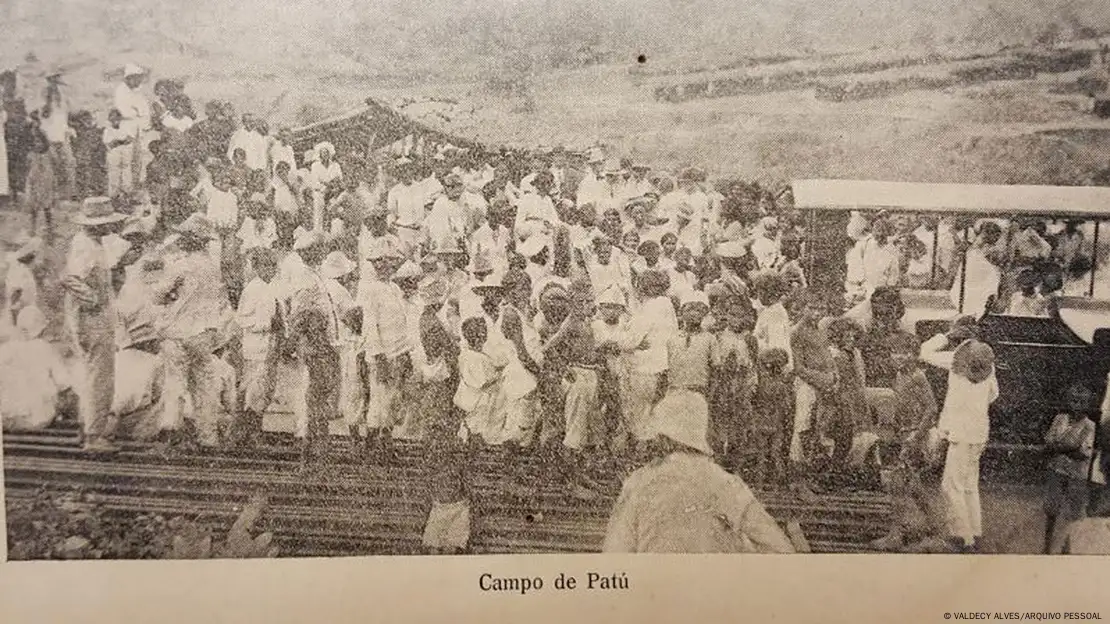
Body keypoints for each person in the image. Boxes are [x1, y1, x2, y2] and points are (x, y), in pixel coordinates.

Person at [602, 395, 795, 554]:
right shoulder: (727, 484)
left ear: (662, 439)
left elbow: (615, 555)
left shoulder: (638, 483)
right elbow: (781, 550)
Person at [152, 213, 235, 450]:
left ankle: (172, 433)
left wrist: (170, 296)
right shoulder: (212, 267)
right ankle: (207, 436)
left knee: (175, 383)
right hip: (204, 333)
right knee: (205, 385)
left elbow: (158, 295)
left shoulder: (181, 265)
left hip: (178, 333)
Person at [920, 316, 998, 552]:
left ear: (959, 337)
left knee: (950, 485)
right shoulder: (987, 362)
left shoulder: (956, 358)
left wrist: (945, 335)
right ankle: (974, 530)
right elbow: (994, 394)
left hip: (961, 432)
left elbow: (924, 351)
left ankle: (960, 536)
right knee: (969, 484)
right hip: (979, 429)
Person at [62, 197, 129, 452]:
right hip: (92, 319)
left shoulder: (89, 243)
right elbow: (71, 279)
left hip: (91, 317)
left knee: (91, 373)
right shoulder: (86, 247)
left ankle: (87, 427)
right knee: (100, 375)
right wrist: (94, 300)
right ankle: (94, 434)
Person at [358, 244, 410, 463]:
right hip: (383, 355)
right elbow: (370, 326)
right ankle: (373, 448)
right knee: (380, 401)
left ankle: (386, 445)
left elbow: (401, 322)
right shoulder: (370, 290)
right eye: (377, 261)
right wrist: (379, 357)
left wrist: (406, 352)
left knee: (392, 401)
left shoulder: (394, 289)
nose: (382, 265)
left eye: (386, 261)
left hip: (398, 351)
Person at [231, 248, 282, 449]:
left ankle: (247, 432)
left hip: (268, 347)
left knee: (263, 390)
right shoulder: (253, 288)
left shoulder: (269, 288)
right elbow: (242, 319)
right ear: (257, 267)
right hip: (255, 347)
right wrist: (268, 324)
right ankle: (250, 433)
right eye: (265, 265)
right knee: (255, 390)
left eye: (272, 265)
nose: (270, 269)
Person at [1043, 385, 1097, 554]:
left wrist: (1059, 445)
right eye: (1073, 400)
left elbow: (1082, 452)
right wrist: (1067, 446)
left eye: (1082, 402)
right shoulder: (1060, 418)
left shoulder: (1089, 425)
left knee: (1073, 514)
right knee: (1051, 510)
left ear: (1088, 404)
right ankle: (1047, 546)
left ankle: (1068, 549)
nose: (1077, 405)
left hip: (1076, 474)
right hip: (1056, 470)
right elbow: (1049, 440)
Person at [0, 306, 71, 432]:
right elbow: (63, 383)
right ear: (41, 330)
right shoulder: (45, 348)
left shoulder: (5, 349)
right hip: (38, 420)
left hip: (6, 420)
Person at [751, 348, 794, 488]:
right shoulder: (782, 385)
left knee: (761, 454)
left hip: (761, 419)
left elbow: (752, 399)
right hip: (776, 421)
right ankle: (778, 484)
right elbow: (787, 406)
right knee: (776, 453)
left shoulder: (761, 382)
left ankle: (759, 484)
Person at [113, 64, 153, 190]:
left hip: (137, 130)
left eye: (140, 78)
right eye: (137, 78)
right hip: (126, 130)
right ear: (129, 78)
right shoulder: (121, 91)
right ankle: (126, 190)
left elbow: (144, 110)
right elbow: (126, 112)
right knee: (126, 162)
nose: (139, 81)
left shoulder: (137, 92)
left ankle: (134, 188)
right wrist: (137, 113)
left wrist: (140, 114)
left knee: (137, 161)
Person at [39, 69, 76, 201]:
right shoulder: (45, 94)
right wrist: (49, 99)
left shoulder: (62, 94)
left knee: (67, 163)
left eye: (57, 78)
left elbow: (67, 113)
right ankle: (54, 195)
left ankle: (68, 194)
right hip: (50, 134)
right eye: (54, 78)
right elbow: (44, 114)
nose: (56, 81)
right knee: (53, 164)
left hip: (62, 132)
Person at [5, 235, 42, 326]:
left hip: (26, 307)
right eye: (32, 253)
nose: (34, 255)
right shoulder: (19, 269)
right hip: (20, 307)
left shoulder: (25, 269)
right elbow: (16, 291)